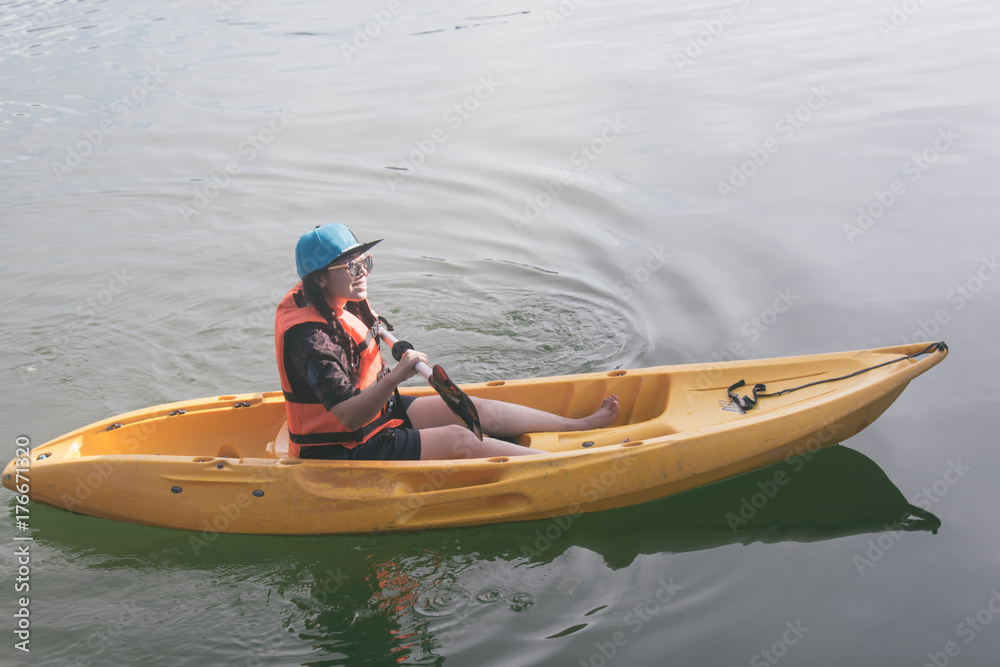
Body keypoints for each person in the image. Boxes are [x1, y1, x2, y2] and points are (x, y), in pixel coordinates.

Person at [275, 223, 619, 461]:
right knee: (462, 439)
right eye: (351, 266)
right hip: (343, 446)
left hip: (379, 415)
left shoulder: (336, 295)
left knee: (477, 408)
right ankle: (564, 464)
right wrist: (396, 376)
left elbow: (368, 327)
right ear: (319, 280)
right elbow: (348, 418)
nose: (362, 272)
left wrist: (398, 350)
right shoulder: (311, 338)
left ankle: (581, 426)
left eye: (365, 262)